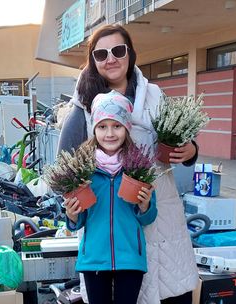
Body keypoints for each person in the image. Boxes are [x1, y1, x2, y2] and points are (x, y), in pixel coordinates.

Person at [58, 24, 200, 304]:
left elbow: (183, 138)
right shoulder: (84, 105)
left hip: (158, 213)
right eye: (101, 54)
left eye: (118, 50)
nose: (110, 59)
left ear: (130, 54)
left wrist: (191, 149)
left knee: (169, 288)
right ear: (93, 60)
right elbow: (64, 166)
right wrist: (74, 207)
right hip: (108, 225)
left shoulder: (155, 96)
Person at [65, 91, 157, 304]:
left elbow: (149, 217)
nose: (110, 133)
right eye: (102, 126)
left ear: (126, 128)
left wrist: (145, 206)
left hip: (130, 258)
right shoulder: (82, 168)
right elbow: (78, 221)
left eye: (116, 126)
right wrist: (71, 214)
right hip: (94, 259)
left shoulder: (138, 166)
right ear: (94, 129)